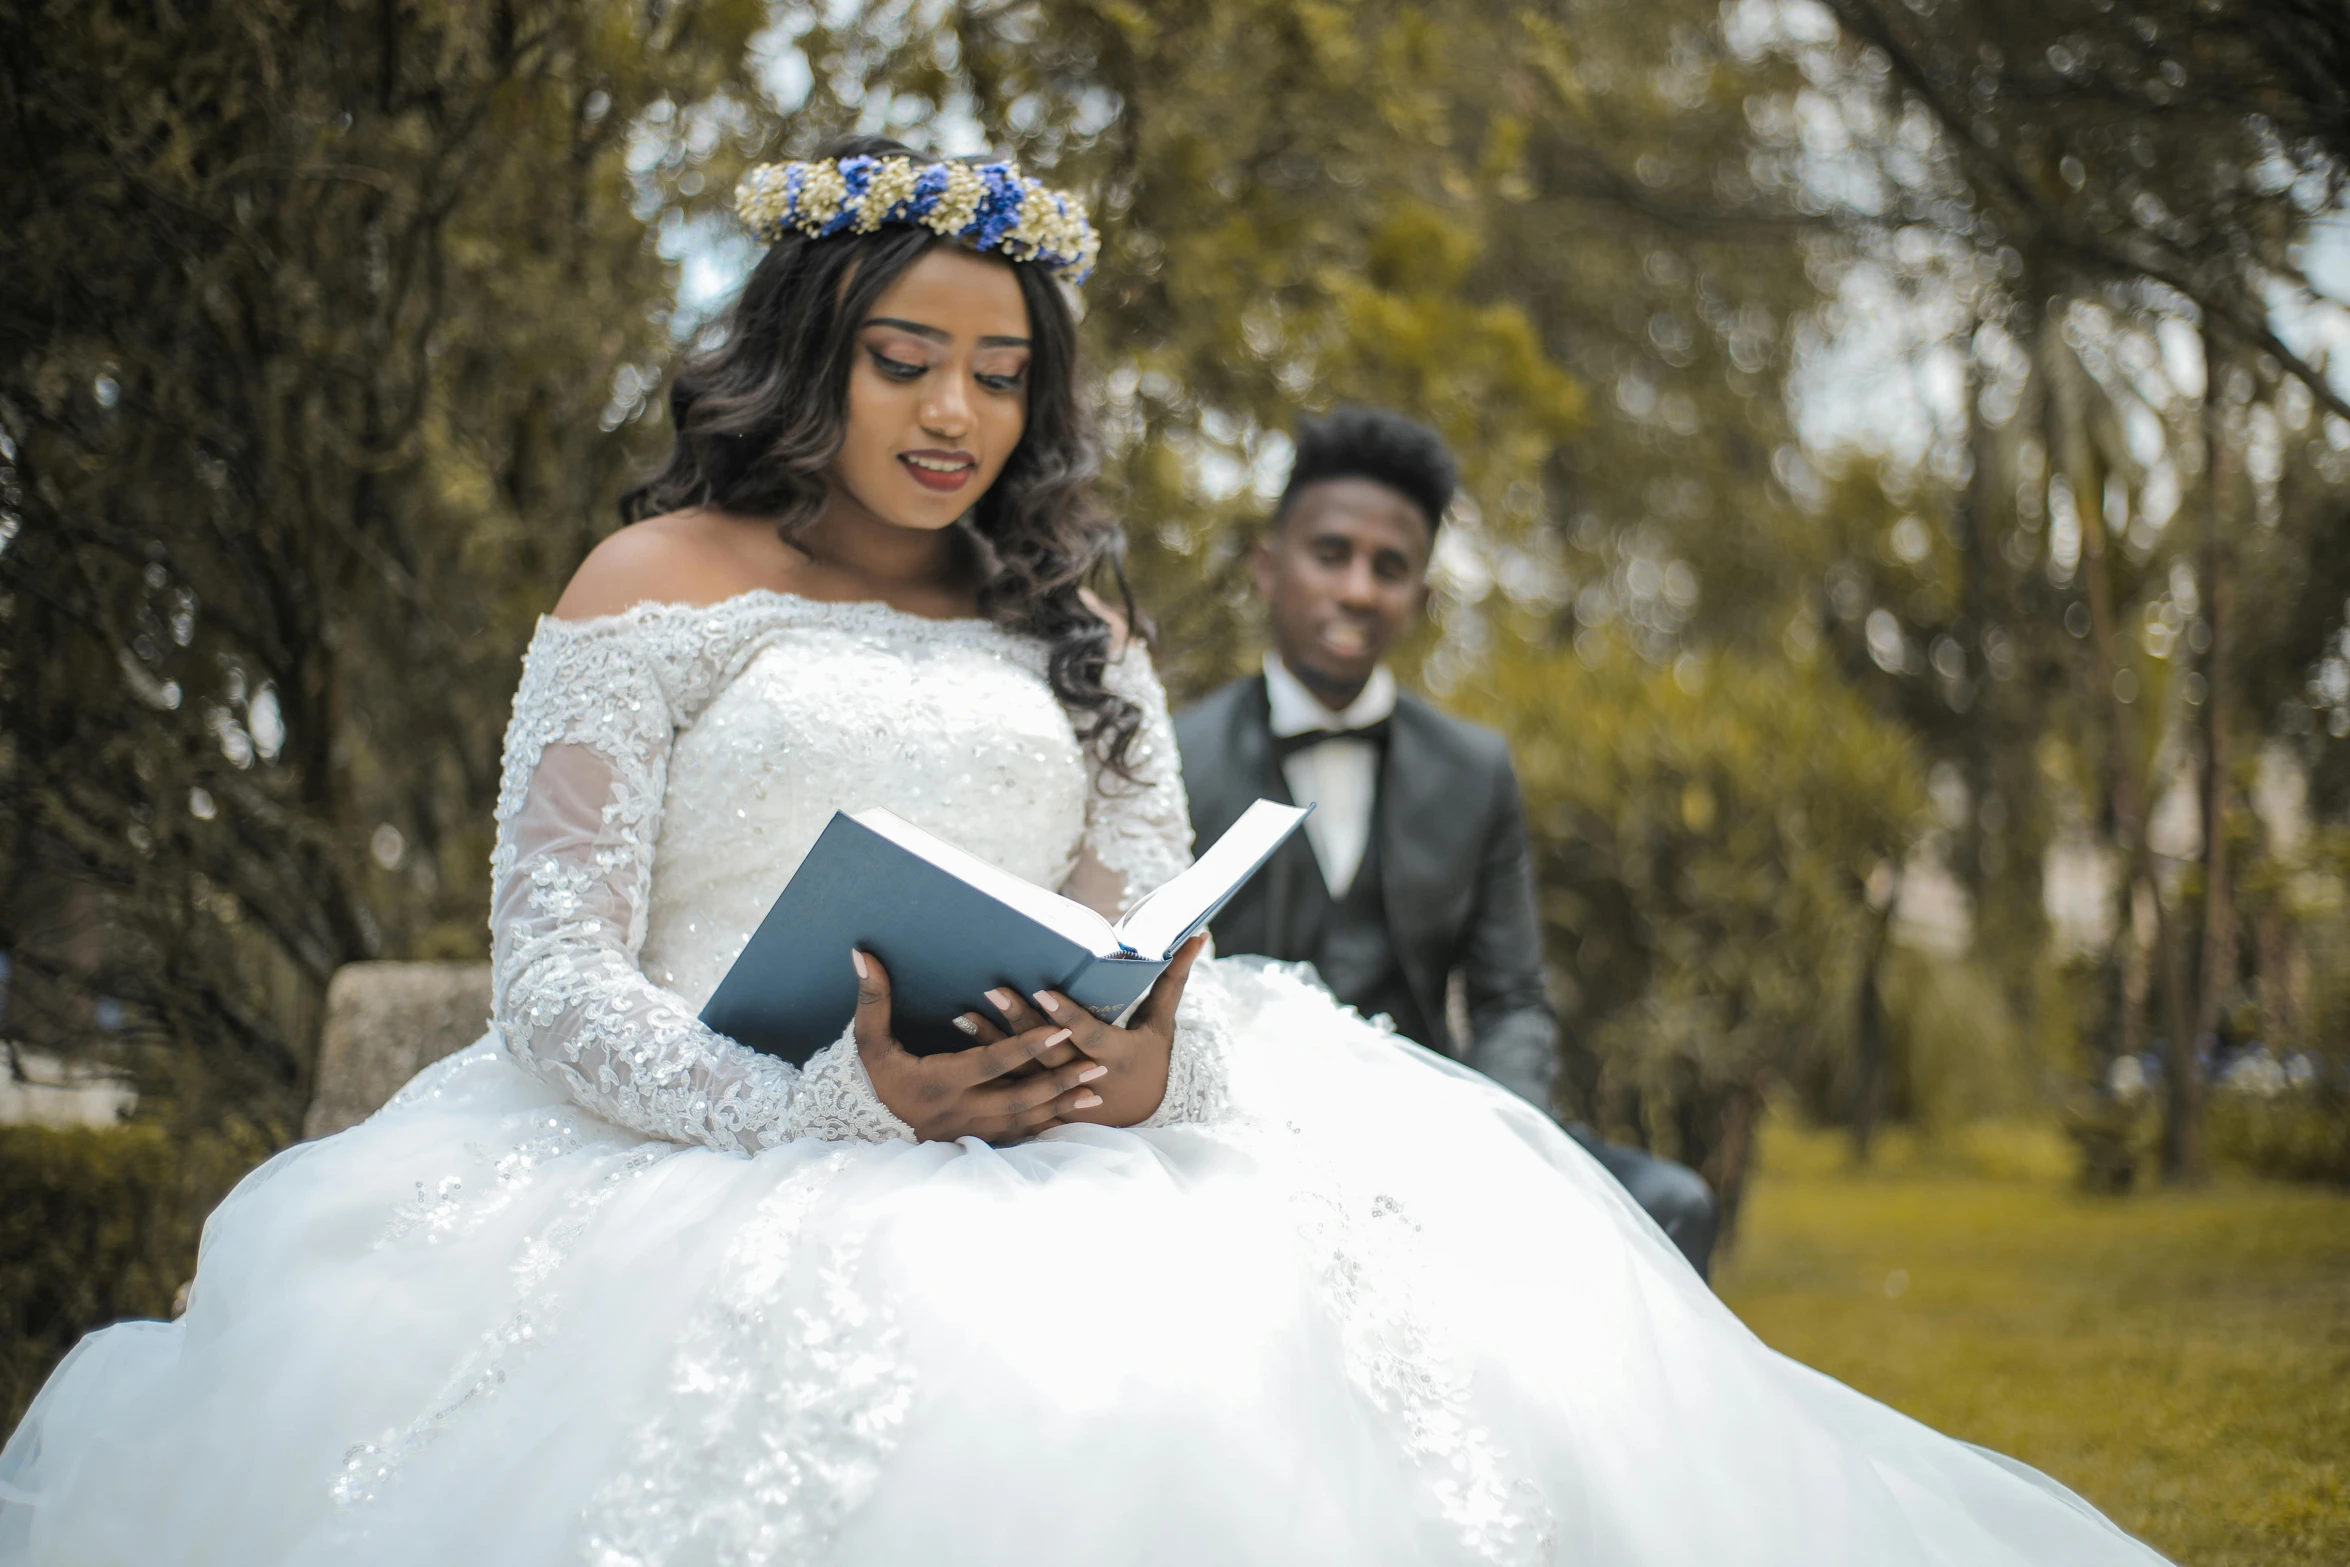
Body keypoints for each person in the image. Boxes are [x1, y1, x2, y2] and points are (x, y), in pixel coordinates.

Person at [0, 135, 2173, 1567]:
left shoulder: (1074, 623)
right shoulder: (640, 585)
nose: (953, 417)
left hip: (1072, 1123)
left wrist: (1153, 1064)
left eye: (999, 377)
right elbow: (558, 981)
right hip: (690, 1154)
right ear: (813, 355)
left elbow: (1170, 928)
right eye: (904, 363)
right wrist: (813, 1104)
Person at [1174, 407, 1721, 1278]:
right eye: (1331, 553)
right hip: (1241, 1133)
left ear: (1421, 597)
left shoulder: (1475, 770)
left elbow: (1510, 998)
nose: (1357, 589)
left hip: (1436, 1126)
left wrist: (1498, 1140)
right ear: (1269, 566)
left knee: (1673, 1203)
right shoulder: (1176, 754)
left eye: (1390, 568)